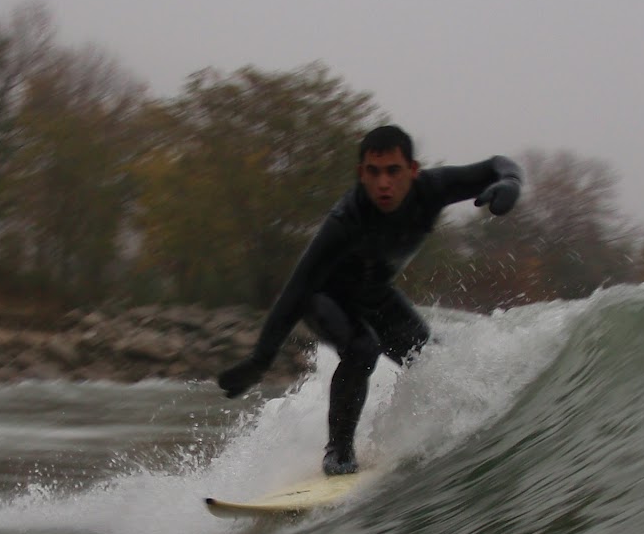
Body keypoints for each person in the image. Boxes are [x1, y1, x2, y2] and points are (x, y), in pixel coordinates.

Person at [217, 125, 522, 476]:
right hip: (324, 297)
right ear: (362, 173)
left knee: (427, 357)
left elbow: (498, 164)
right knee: (362, 349)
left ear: (413, 170)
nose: (383, 184)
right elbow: (296, 290)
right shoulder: (346, 220)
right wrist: (260, 359)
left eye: (393, 171)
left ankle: (433, 431)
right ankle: (338, 450)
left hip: (375, 293)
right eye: (373, 173)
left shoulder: (433, 189)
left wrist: (511, 182)